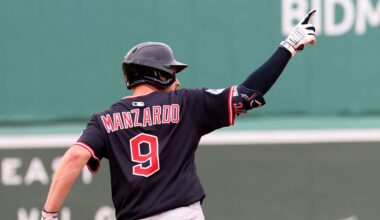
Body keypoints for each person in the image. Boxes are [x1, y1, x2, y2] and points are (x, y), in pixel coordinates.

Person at [41, 10, 317, 220]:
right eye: (171, 73)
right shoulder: (186, 103)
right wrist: (288, 47)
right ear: (158, 73)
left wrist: (48, 215)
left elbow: (75, 157)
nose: (177, 81)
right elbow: (247, 94)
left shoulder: (104, 120)